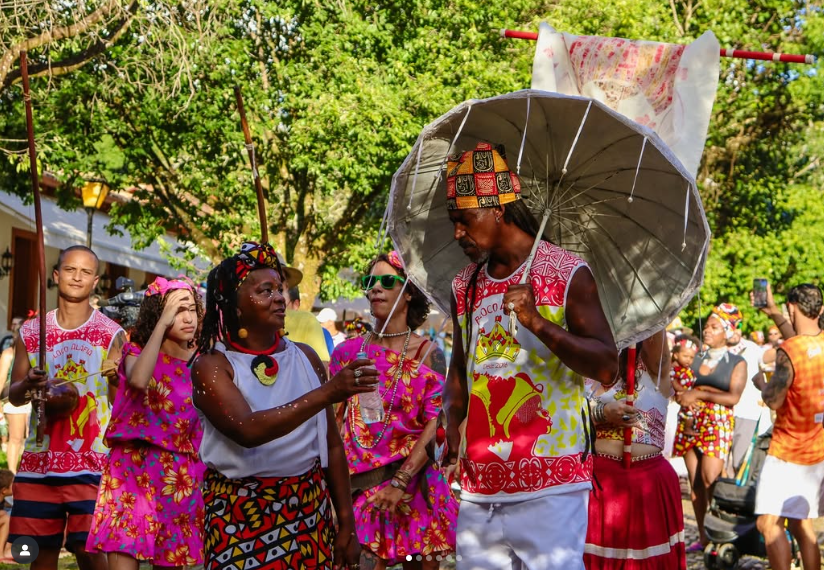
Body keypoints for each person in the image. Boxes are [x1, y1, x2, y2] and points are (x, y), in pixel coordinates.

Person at [441, 142, 618, 570]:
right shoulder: (464, 284)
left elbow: (606, 366)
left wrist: (538, 322)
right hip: (480, 482)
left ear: (496, 210)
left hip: (551, 484)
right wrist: (451, 440)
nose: (457, 234)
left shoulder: (566, 272)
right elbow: (461, 373)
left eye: (464, 221)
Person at [191, 241, 370, 570]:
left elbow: (330, 444)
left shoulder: (305, 357)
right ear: (236, 305)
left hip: (307, 510)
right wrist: (328, 392)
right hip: (239, 514)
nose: (278, 298)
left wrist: (347, 524)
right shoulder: (212, 366)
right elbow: (247, 429)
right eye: (265, 290)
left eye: (279, 289)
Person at [330, 251, 458, 569]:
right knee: (359, 564)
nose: (375, 288)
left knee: (415, 563)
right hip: (361, 490)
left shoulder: (430, 354)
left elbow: (437, 421)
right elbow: (331, 422)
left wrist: (399, 482)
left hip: (415, 489)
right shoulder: (348, 351)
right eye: (370, 281)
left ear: (409, 292)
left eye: (387, 281)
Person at [8, 245, 125, 570]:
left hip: (91, 462)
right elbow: (15, 396)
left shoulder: (111, 334)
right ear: (57, 275)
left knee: (87, 550)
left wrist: (119, 377)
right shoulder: (30, 332)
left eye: (85, 272)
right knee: (33, 553)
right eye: (70, 269)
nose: (77, 277)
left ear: (96, 281)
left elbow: (119, 400)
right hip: (39, 460)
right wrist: (30, 383)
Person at [86, 278, 205, 569]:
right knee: (123, 554)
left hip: (178, 472)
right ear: (159, 315)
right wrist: (162, 325)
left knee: (172, 559)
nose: (187, 317)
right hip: (131, 466)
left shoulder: (204, 361)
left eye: (191, 309)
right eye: (177, 310)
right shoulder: (135, 351)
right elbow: (139, 380)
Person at [585, 330, 685, 569]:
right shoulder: (586, 370)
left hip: (647, 483)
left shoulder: (653, 368)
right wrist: (603, 413)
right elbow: (566, 415)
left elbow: (653, 318)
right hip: (598, 482)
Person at [754, 284, 824, 570]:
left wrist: (762, 384)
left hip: (787, 452)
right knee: (801, 524)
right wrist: (774, 314)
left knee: (768, 525)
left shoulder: (788, 351)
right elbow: (803, 343)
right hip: (816, 452)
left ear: (792, 307)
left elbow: (773, 400)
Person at [672, 304, 746, 552]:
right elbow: (682, 383)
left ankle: (719, 533)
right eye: (709, 326)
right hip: (690, 421)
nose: (708, 331)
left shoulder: (737, 361)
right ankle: (704, 537)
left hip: (717, 423)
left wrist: (700, 393)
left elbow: (733, 397)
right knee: (694, 482)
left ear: (727, 331)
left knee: (710, 478)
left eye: (715, 327)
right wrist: (683, 395)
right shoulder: (698, 357)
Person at [725, 311, 772, 478]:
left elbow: (768, 357)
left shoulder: (751, 348)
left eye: (739, 326)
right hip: (720, 411)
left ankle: (733, 497)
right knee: (717, 462)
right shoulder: (713, 350)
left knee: (740, 460)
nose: (736, 330)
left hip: (747, 412)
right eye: (732, 326)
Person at [0, 316, 29, 472]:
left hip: (30, 400)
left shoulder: (34, 354)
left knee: (26, 439)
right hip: (13, 399)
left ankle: (23, 471)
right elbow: (1, 380)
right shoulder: (9, 353)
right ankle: (11, 474)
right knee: (16, 438)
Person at [283, 279, 331, 363]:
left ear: (296, 304)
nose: (276, 297)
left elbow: (322, 366)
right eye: (267, 290)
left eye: (280, 290)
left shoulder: (309, 321)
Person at [670, 334, 701, 437]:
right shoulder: (672, 369)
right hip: (674, 399)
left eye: (691, 357)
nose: (688, 360)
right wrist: (685, 392)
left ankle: (688, 428)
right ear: (675, 355)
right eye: (685, 356)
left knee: (691, 411)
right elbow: (673, 382)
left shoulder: (687, 370)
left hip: (686, 399)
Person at [0, 469, 14, 562]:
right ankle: (1, 554)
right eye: (13, 484)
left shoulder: (3, 501)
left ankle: (7, 550)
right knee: (6, 517)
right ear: (4, 490)